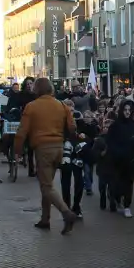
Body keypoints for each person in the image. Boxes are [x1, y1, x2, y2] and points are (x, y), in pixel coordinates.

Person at [14, 78, 81, 234]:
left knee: (46, 186)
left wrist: (17, 152)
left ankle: (66, 212)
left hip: (43, 148)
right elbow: (72, 126)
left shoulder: (32, 107)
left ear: (37, 90)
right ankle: (45, 219)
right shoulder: (62, 105)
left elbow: (22, 132)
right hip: (59, 147)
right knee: (47, 184)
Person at [106, 99, 134, 218]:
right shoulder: (115, 126)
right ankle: (116, 198)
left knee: (128, 184)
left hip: (130, 161)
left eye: (130, 110)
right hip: (117, 161)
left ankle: (127, 205)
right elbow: (110, 142)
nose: (127, 112)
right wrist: (117, 153)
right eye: (125, 110)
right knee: (116, 184)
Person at [5, 77, 37, 176]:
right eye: (27, 84)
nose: (29, 85)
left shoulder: (37, 96)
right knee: (10, 140)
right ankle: (12, 161)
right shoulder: (19, 95)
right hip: (20, 120)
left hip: (33, 122)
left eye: (31, 83)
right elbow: (12, 107)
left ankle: (31, 169)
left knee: (32, 147)